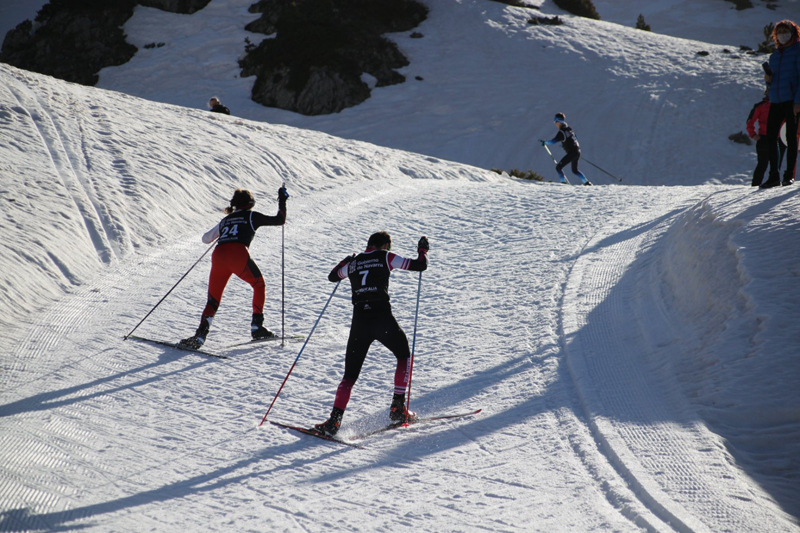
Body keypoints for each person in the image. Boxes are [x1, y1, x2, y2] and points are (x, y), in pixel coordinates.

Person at [314, 232, 429, 436]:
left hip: (360, 322)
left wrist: (347, 260)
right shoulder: (386, 256)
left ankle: (334, 422)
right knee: (403, 355)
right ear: (385, 245)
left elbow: (333, 276)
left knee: (349, 375)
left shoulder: (354, 263)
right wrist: (422, 250)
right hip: (382, 318)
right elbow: (420, 265)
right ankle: (398, 408)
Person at [179, 186, 288, 349]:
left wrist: (226, 231)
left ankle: (199, 336)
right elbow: (280, 220)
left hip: (219, 255)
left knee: (213, 300)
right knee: (259, 285)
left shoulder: (225, 220)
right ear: (251, 203)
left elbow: (205, 239)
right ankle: (257, 327)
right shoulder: (252, 216)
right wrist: (282, 201)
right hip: (238, 254)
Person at [761, 20, 800, 188]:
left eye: (786, 31)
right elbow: (774, 81)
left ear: (794, 33)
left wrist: (798, 102)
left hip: (792, 101)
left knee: (791, 138)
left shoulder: (798, 50)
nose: (783, 35)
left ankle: (788, 175)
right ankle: (773, 176)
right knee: (771, 137)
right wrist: (768, 81)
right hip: (776, 100)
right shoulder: (775, 55)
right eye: (780, 32)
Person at [539, 113, 592, 185]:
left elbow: (553, 141)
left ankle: (563, 183)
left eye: (555, 121)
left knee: (558, 167)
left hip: (572, 152)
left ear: (558, 121)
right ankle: (587, 183)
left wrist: (544, 142)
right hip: (577, 151)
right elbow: (575, 138)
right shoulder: (569, 129)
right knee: (575, 170)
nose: (554, 123)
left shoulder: (561, 132)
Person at [747, 92, 787, 186]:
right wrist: (753, 134)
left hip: (779, 138)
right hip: (764, 137)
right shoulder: (760, 106)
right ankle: (755, 185)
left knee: (777, 164)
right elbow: (750, 121)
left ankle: (775, 182)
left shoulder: (784, 105)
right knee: (762, 163)